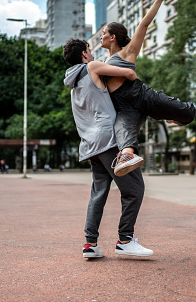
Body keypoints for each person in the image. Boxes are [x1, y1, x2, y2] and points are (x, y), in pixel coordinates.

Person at [63, 38, 153, 258]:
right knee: (134, 189)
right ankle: (125, 239)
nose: (92, 55)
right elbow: (129, 75)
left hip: (90, 145)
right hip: (108, 140)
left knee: (99, 192)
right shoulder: (92, 67)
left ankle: (90, 244)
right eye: (90, 51)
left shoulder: (73, 84)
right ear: (84, 54)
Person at [101, 0, 196, 177]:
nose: (101, 36)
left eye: (103, 33)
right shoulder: (101, 63)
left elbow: (143, 24)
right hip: (124, 107)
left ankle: (175, 117)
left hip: (142, 96)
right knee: (123, 132)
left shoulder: (126, 53)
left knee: (187, 112)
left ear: (113, 37)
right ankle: (126, 158)